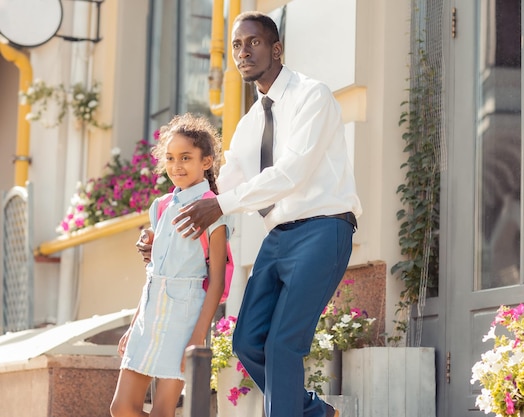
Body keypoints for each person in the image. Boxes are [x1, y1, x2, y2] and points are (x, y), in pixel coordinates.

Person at [138, 11, 361, 417]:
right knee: (248, 340)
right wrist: (161, 232)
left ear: (276, 49)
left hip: (324, 228)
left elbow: (292, 172)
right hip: (278, 237)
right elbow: (216, 191)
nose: (243, 52)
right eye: (237, 45)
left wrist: (219, 204)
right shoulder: (248, 124)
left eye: (253, 42)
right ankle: (315, 413)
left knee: (282, 343)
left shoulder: (314, 96)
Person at [111, 113, 228, 417]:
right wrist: (134, 323)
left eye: (186, 157)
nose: (177, 166)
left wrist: (197, 338)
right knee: (122, 407)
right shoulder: (161, 206)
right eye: (171, 158)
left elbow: (216, 281)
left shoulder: (213, 208)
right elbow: (153, 274)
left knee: (164, 411)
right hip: (149, 318)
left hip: (184, 319)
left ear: (206, 161)